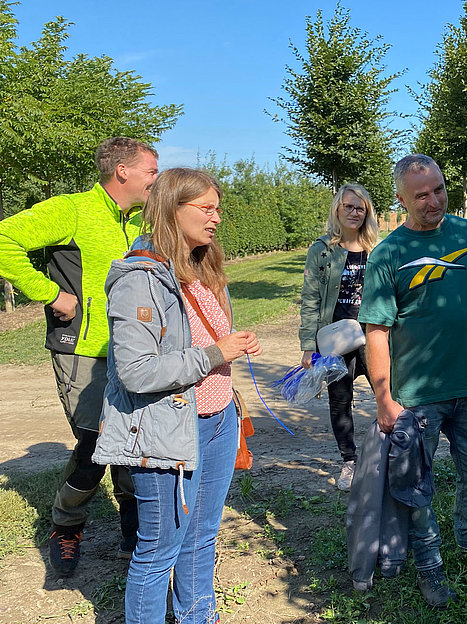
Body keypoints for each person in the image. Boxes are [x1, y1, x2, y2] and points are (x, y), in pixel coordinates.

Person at [92, 168, 262, 624]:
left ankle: (197, 616)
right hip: (167, 432)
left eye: (218, 209)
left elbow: (204, 342)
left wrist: (232, 344)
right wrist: (213, 354)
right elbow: (135, 370)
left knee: (203, 534)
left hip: (218, 419)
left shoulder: (201, 268)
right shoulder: (140, 279)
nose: (216, 218)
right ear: (172, 207)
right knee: (159, 549)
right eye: (206, 208)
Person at [358, 154, 467, 609]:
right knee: (415, 486)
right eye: (420, 195)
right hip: (416, 396)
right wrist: (384, 398)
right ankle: (429, 565)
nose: (433, 201)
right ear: (401, 199)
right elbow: (376, 332)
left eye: (439, 189)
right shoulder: (390, 254)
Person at [0, 137, 158, 575]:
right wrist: (51, 294)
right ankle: (65, 525)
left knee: (136, 438)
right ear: (122, 170)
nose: (156, 180)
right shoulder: (69, 209)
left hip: (135, 351)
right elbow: (3, 239)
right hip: (83, 351)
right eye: (151, 171)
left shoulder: (140, 220)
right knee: (95, 442)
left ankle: (134, 529)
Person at [299, 183, 379, 491]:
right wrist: (308, 346)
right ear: (337, 209)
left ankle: (394, 453)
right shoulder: (321, 250)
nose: (354, 212)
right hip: (334, 338)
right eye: (348, 206)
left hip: (372, 334)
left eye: (360, 208)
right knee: (340, 400)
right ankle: (350, 461)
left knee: (387, 392)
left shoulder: (376, 249)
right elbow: (310, 298)